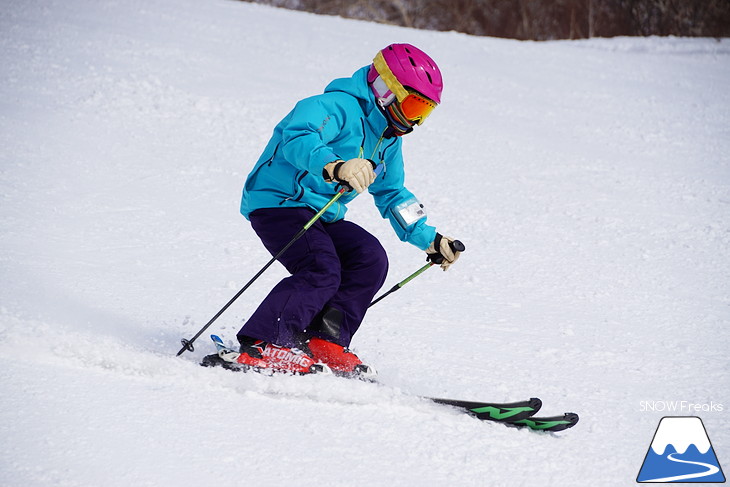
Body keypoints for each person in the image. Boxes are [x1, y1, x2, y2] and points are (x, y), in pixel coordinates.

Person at [234, 43, 462, 376]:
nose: (414, 121)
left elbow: (393, 191)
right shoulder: (334, 106)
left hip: (322, 214)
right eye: (413, 106)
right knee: (321, 266)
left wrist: (429, 238)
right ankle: (264, 343)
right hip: (278, 203)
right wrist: (335, 166)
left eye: (423, 113)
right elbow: (298, 137)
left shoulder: (387, 139)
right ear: (386, 89)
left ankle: (324, 339)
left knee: (369, 257)